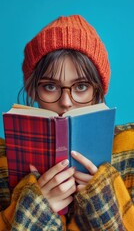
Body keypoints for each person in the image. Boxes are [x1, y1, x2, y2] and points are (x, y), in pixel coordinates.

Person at [0, 15, 134, 230]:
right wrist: (36, 211)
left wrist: (102, 202)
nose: (66, 102)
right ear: (33, 91)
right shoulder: (2, 161)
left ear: (98, 91)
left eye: (81, 87)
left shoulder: (130, 148)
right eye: (50, 86)